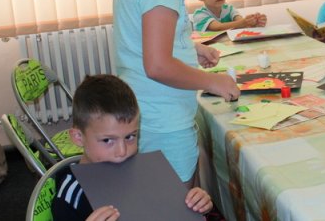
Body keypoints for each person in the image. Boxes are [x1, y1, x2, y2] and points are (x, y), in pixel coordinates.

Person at [113, 0, 240, 185]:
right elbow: (157, 65)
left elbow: (142, 43)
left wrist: (191, 50)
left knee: (158, 196)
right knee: (180, 201)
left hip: (145, 110)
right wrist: (213, 82)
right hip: (165, 120)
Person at [52, 75, 213, 221]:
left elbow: (169, 209)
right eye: (108, 140)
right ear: (78, 137)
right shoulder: (70, 195)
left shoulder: (145, 171)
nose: (122, 151)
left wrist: (196, 204)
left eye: (130, 137)